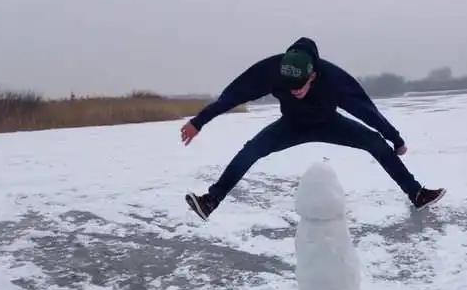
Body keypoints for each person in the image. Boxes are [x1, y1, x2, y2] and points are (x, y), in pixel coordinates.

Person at [181, 37, 445, 220]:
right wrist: (198, 121)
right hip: (291, 126)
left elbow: (365, 110)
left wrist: (395, 139)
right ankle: (210, 201)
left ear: (313, 75)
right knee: (251, 150)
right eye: (288, 87)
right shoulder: (274, 69)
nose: (293, 92)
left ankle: (417, 193)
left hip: (330, 124)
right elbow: (234, 95)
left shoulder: (333, 79)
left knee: (375, 142)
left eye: (299, 86)